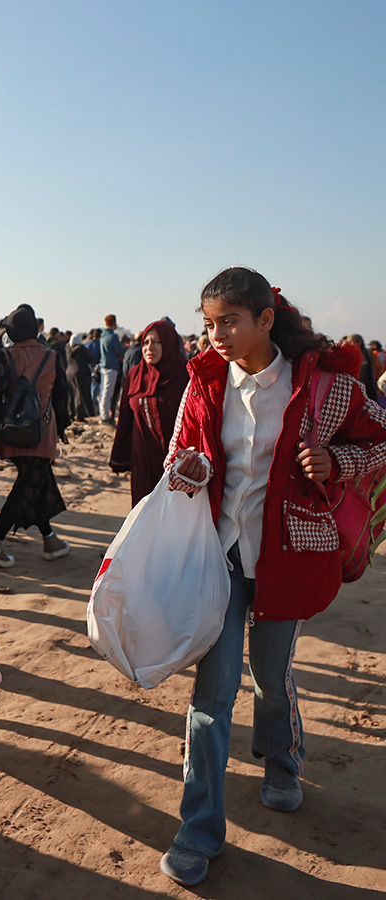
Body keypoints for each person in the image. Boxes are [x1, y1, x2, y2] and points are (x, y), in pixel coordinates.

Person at [158, 267, 386, 887]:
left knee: (272, 677)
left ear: (265, 319)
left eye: (228, 321)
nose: (216, 336)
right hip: (223, 556)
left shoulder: (327, 386)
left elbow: (381, 441)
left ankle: (282, 760)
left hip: (290, 554)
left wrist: (337, 460)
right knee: (213, 691)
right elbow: (177, 453)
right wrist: (190, 469)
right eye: (208, 324)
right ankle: (198, 830)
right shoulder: (203, 380)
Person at [0, 305, 70, 566]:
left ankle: (50, 540)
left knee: (33, 481)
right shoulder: (52, 356)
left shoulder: (4, 356)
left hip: (11, 430)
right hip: (41, 431)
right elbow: (61, 398)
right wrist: (62, 429)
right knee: (27, 485)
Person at [108, 319, 189, 505]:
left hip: (176, 464)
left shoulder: (184, 375)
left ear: (169, 344)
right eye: (145, 342)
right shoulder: (134, 375)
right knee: (143, 513)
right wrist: (119, 456)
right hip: (142, 458)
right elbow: (125, 419)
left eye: (157, 342)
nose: (149, 347)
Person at [64, 333, 97, 421]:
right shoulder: (81, 349)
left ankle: (71, 413)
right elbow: (90, 358)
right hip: (80, 372)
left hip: (69, 371)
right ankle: (79, 415)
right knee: (80, 394)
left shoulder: (67, 348)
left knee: (71, 393)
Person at [99, 314, 125, 423]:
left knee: (103, 393)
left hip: (104, 366)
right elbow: (122, 350)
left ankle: (103, 414)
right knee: (108, 393)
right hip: (111, 367)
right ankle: (105, 417)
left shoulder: (103, 336)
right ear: (114, 323)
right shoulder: (112, 337)